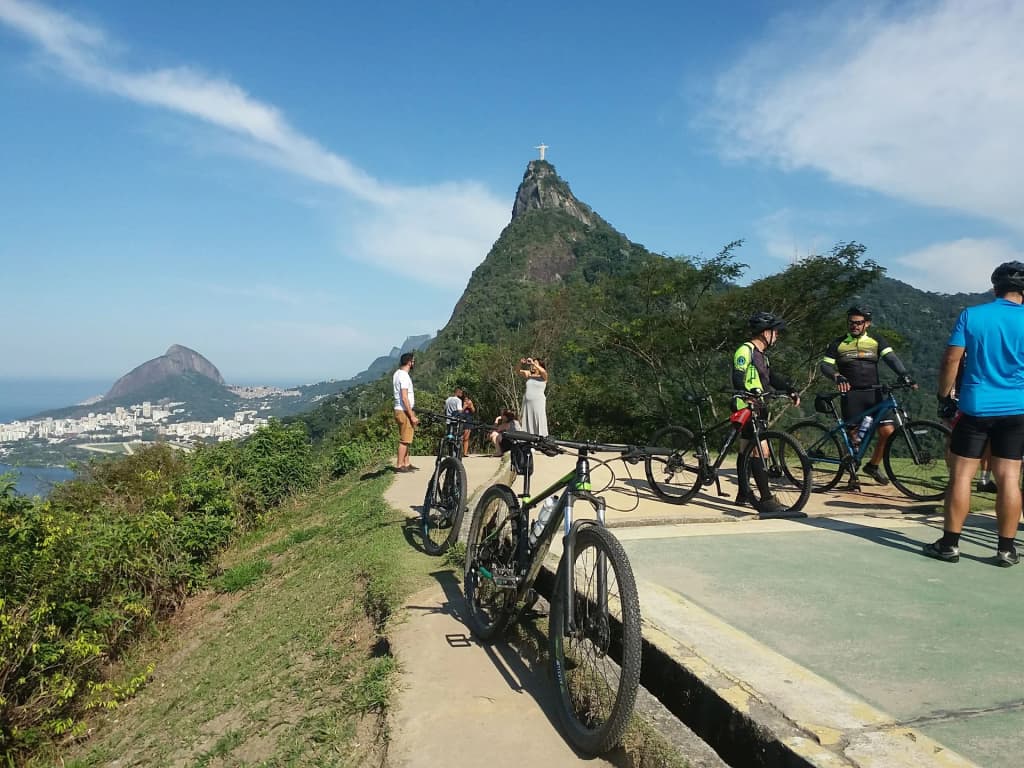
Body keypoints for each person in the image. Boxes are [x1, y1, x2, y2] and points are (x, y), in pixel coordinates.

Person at [925, 261, 1024, 567]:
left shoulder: (973, 315)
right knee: (1009, 478)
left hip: (976, 408)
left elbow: (951, 360)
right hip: (1017, 410)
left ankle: (949, 545)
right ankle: (1006, 550)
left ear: (995, 288)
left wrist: (944, 395)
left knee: (961, 476)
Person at [819, 305, 916, 487]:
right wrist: (836, 376)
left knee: (888, 432)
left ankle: (873, 466)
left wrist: (904, 374)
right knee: (855, 439)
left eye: (858, 323)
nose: (854, 326)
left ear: (867, 323)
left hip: (875, 394)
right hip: (852, 395)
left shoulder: (876, 340)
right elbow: (825, 366)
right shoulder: (838, 343)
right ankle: (852, 476)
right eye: (851, 322)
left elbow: (891, 358)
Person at [732, 312, 801, 518]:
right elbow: (738, 376)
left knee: (745, 450)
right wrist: (746, 394)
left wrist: (789, 390)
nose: (777, 335)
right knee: (760, 451)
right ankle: (766, 499)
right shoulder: (745, 350)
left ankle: (743, 492)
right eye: (775, 331)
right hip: (746, 407)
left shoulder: (762, 355)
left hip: (759, 406)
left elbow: (772, 378)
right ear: (765, 333)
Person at [392, 353, 419, 472]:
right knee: (405, 440)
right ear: (409, 362)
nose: (413, 363)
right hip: (404, 411)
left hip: (400, 410)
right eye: (413, 361)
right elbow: (404, 397)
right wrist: (411, 415)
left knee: (407, 437)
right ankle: (399, 465)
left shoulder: (397, 373)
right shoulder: (403, 376)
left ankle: (406, 463)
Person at [518, 356, 548, 437]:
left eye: (535, 363)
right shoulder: (529, 374)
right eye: (532, 363)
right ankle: (527, 438)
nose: (532, 365)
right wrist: (520, 363)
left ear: (540, 365)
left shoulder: (543, 376)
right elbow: (517, 370)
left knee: (538, 418)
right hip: (527, 403)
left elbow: (543, 371)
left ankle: (541, 437)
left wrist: (533, 363)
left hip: (538, 402)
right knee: (527, 419)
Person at [461, 392, 476, 456]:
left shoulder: (470, 405)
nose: (466, 401)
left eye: (467, 399)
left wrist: (471, 405)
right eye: (465, 400)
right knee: (460, 438)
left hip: (468, 422)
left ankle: (465, 453)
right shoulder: (460, 404)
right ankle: (459, 452)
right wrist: (464, 407)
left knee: (466, 438)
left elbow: (473, 411)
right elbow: (459, 412)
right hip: (461, 422)